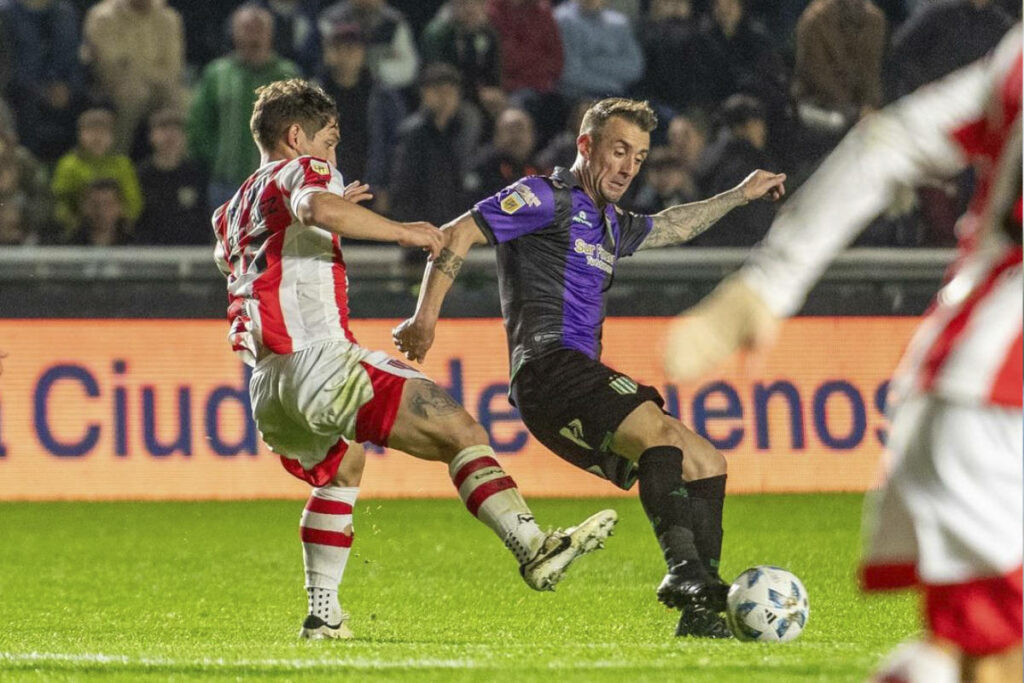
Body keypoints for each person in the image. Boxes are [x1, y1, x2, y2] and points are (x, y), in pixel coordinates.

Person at [663, 26, 1021, 681]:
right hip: (1000, 396)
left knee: (968, 655)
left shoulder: (1016, 59)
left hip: (965, 380)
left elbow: (890, 141)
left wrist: (769, 284)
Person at [212, 78, 617, 641]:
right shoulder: (302, 172)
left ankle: (322, 614)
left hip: (267, 386)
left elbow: (276, 239)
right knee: (461, 430)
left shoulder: (231, 209)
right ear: (295, 135)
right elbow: (312, 202)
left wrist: (327, 212)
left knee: (342, 470)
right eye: (329, 142)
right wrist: (399, 231)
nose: (333, 156)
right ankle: (534, 547)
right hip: (320, 361)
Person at [393, 97, 785, 638]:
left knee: (706, 462)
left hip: (572, 377)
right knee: (659, 434)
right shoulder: (542, 196)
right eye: (619, 151)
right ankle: (683, 573)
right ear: (586, 146)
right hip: (548, 367)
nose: (628, 167)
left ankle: (700, 612)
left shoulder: (610, 222)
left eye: (640, 157)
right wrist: (424, 319)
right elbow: (458, 232)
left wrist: (740, 195)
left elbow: (670, 225)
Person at [187, 4, 299, 210]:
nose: (253, 38)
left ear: (270, 34)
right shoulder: (217, 74)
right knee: (227, 241)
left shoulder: (288, 75)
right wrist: (216, 157)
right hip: (225, 184)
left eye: (259, 30)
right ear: (234, 34)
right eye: (246, 29)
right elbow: (199, 125)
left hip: (275, 184)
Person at [81, 0, 186, 156]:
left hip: (158, 84)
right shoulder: (103, 17)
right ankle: (116, 159)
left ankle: (177, 165)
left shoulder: (169, 18)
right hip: (112, 86)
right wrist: (146, 74)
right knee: (134, 94)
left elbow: (173, 66)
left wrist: (145, 74)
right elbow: (110, 64)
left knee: (181, 100)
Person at [51, 107, 143, 238]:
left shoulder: (122, 164)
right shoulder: (69, 165)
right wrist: (74, 223)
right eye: (91, 132)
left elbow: (133, 201)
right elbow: (61, 200)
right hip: (78, 232)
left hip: (116, 233)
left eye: (103, 132)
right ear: (80, 135)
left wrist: (120, 221)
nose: (97, 138)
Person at [134, 108, 210, 245]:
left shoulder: (196, 173)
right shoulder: (140, 175)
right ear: (150, 136)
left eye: (176, 129)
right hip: (148, 254)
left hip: (190, 254)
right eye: (163, 128)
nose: (170, 135)